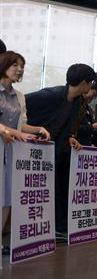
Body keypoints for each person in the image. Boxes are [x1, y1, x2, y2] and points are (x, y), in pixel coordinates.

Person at [26, 63, 96, 239]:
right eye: (91, 82)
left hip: (59, 149)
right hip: (38, 148)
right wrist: (32, 129)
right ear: (83, 82)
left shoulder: (77, 101)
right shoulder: (52, 95)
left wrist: (69, 137)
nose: (91, 86)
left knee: (62, 188)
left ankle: (60, 226)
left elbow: (65, 125)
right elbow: (22, 103)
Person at [0, 51, 50, 246]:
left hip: (12, 152)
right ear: (4, 65)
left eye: (22, 66)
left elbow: (22, 125)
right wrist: (11, 131)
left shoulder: (19, 96)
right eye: (16, 65)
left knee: (7, 197)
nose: (20, 70)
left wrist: (37, 129)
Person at [76, 72, 97, 146]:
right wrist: (91, 127)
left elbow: (89, 131)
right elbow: (71, 129)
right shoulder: (74, 105)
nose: (93, 98)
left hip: (87, 149)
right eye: (94, 95)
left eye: (96, 96)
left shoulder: (88, 108)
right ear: (88, 86)